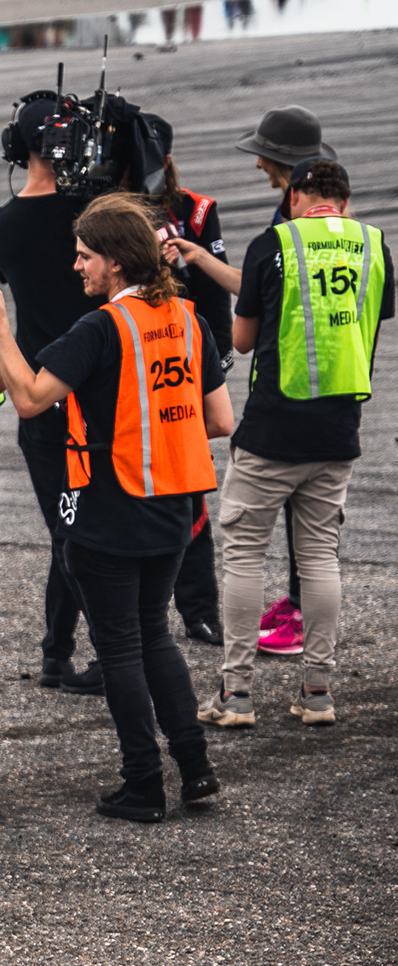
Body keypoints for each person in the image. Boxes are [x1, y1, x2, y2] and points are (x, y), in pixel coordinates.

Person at [0, 195, 229, 823]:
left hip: (109, 511)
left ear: (115, 261)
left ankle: (143, 783)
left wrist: (0, 327)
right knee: (154, 635)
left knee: (119, 648)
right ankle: (196, 769)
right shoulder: (189, 318)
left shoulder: (100, 329)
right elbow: (220, 419)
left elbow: (30, 399)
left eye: (85, 255)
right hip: (173, 506)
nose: (77, 267)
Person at [201, 156, 390, 733]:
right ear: (345, 201)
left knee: (244, 553)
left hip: (273, 429)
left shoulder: (274, 242)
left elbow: (242, 339)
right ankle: (318, 692)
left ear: (294, 198)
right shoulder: (375, 244)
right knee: (319, 557)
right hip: (339, 429)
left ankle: (236, 694)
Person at [174, 104, 339, 658]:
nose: (257, 165)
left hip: (288, 388)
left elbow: (249, 324)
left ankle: (289, 624)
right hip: (334, 391)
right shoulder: (329, 223)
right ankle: (302, 616)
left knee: (252, 538)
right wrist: (202, 258)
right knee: (312, 525)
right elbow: (261, 284)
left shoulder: (287, 227)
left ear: (286, 163)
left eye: (264, 155)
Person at [0, 92, 104, 697]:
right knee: (86, 531)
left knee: (64, 526)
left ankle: (57, 652)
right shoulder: (97, 216)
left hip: (40, 387)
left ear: (16, 148)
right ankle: (106, 648)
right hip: (99, 388)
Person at [152, 149, 233, 645]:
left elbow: (215, 289)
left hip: (184, 360)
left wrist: (218, 358)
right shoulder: (107, 208)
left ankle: (199, 608)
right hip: (130, 351)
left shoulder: (196, 210)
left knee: (189, 486)